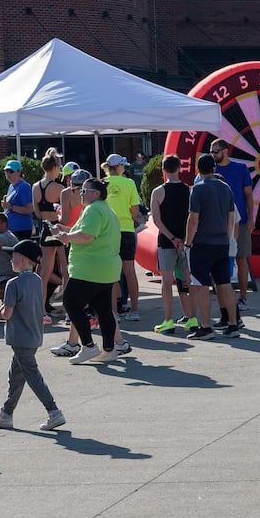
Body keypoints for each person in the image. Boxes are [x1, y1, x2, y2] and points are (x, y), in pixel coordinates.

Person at [0, 239, 66, 432]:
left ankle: (54, 411)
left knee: (32, 375)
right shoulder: (37, 280)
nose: (11, 261)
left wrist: (0, 312)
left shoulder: (13, 284)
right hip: (34, 336)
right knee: (16, 375)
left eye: (13, 258)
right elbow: (37, 307)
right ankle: (6, 413)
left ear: (22, 260)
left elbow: (8, 313)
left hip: (20, 338)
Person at [53, 174, 124, 362]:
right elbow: (85, 232)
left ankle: (88, 345)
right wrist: (64, 231)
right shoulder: (105, 209)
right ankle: (109, 350)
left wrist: (66, 238)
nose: (80, 194)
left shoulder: (93, 210)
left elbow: (87, 236)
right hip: (106, 269)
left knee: (71, 303)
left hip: (90, 269)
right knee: (103, 309)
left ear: (95, 193)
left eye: (83, 191)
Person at [183, 153, 241, 339]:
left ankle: (206, 326)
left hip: (202, 243)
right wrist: (227, 236)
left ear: (198, 170)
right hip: (222, 242)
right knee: (225, 284)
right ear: (214, 169)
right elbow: (231, 217)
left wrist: (188, 242)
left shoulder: (197, 189)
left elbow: (193, 219)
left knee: (201, 285)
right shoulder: (226, 188)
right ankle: (233, 324)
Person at [151, 154, 194, 335]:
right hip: (185, 243)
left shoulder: (158, 192)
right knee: (189, 281)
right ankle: (193, 318)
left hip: (167, 242)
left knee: (166, 283)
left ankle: (168, 321)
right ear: (180, 168)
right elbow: (193, 218)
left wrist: (172, 238)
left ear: (163, 170)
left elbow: (157, 220)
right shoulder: (189, 190)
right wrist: (183, 240)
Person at [212, 139, 255, 307]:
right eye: (211, 151)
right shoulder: (211, 170)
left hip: (240, 221)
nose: (213, 155)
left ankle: (243, 297)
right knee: (219, 261)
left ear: (225, 151)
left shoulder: (240, 168)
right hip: (217, 222)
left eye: (215, 151)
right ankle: (225, 300)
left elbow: (249, 195)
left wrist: (251, 218)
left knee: (241, 258)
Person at [103, 154, 144, 321]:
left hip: (108, 232)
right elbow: (135, 211)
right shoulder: (129, 183)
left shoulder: (101, 183)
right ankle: (134, 311)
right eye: (123, 166)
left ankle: (113, 312)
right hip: (126, 230)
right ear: (119, 167)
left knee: (111, 274)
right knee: (129, 272)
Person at [34, 153, 67, 318]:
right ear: (54, 168)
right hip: (58, 227)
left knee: (45, 272)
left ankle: (41, 309)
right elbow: (65, 214)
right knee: (66, 269)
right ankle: (69, 308)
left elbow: (38, 213)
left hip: (45, 229)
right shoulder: (60, 189)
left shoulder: (35, 187)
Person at [0, 159, 36, 239]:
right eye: (6, 171)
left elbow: (30, 209)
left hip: (22, 229)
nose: (8, 174)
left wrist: (11, 207)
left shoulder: (24, 186)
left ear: (19, 172)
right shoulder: (11, 186)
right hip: (12, 229)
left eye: (11, 171)